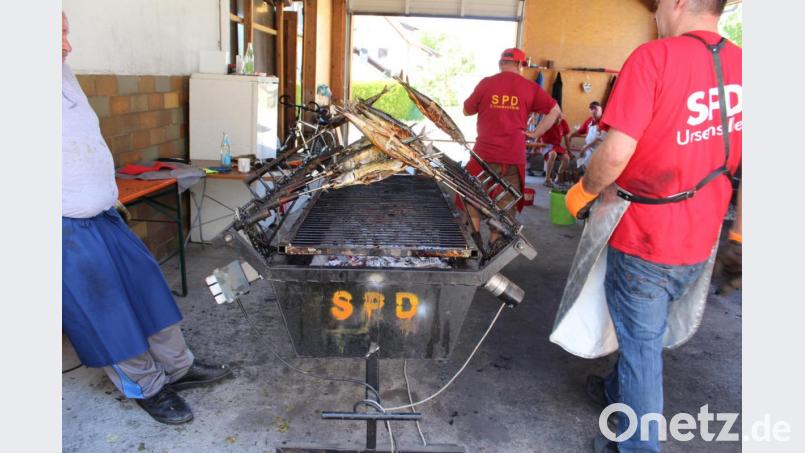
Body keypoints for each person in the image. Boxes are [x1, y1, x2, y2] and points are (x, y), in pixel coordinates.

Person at [562, 0, 742, 451]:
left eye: (659, 4)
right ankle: (614, 391)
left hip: (646, 237)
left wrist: (583, 190)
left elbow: (616, 153)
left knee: (642, 349)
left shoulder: (653, 57)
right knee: (644, 330)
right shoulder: (748, 65)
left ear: (678, 2)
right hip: (702, 237)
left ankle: (637, 445)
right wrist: (740, 235)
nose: (658, 13)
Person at [62, 12, 232, 425]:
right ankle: (148, 387)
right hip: (64, 229)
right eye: (53, 36)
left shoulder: (63, 74)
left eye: (65, 30)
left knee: (149, 290)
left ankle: (179, 367)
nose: (67, 45)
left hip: (105, 214)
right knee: (105, 313)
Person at [462, 47, 561, 247]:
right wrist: (535, 133)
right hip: (512, 156)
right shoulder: (529, 87)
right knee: (506, 200)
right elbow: (555, 111)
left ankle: (474, 238)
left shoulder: (487, 83)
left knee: (472, 195)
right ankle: (495, 241)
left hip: (483, 154)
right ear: (519, 64)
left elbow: (466, 110)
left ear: (502, 63)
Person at [568, 101, 606, 172]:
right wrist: (571, 135)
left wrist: (585, 147)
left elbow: (599, 139)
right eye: (592, 110)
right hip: (588, 148)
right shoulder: (589, 120)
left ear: (601, 110)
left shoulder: (604, 121)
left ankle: (586, 176)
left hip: (598, 149)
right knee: (580, 160)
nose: (594, 112)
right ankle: (578, 174)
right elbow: (581, 131)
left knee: (591, 167)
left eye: (597, 110)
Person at [539, 114, 572, 188]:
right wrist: (534, 148)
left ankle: (558, 178)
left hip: (557, 146)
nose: (558, 120)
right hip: (546, 145)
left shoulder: (563, 122)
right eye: (557, 119)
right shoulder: (546, 122)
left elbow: (566, 138)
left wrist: (569, 151)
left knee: (567, 158)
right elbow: (538, 134)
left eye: (560, 118)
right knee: (553, 154)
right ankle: (547, 179)